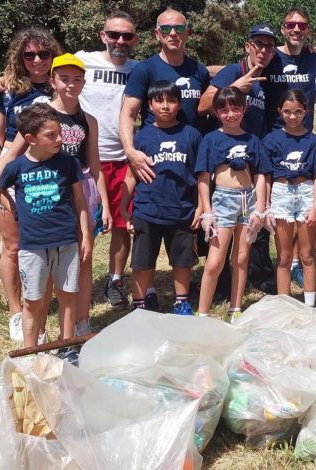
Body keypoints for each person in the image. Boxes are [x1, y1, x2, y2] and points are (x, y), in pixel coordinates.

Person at [0, 27, 61, 343]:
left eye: (43, 53)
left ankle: (38, 312)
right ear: (19, 57)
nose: (37, 60)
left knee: (49, 246)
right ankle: (17, 312)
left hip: (49, 176)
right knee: (12, 246)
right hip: (12, 174)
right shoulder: (7, 92)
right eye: (30, 54)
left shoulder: (61, 85)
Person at [0, 103, 91, 362]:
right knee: (34, 301)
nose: (60, 139)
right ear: (30, 139)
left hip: (66, 242)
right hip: (33, 245)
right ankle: (31, 353)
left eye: (59, 132)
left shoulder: (68, 163)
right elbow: (0, 189)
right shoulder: (15, 168)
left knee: (67, 296)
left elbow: (80, 201)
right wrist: (15, 210)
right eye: (51, 135)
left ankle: (67, 346)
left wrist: (84, 233)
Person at [198, 23, 278, 295]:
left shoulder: (267, 77)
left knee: (253, 224)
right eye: (259, 44)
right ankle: (219, 282)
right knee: (223, 228)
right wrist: (236, 87)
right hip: (224, 160)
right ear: (248, 46)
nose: (264, 50)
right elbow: (203, 104)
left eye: (269, 46)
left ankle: (254, 278)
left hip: (252, 155)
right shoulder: (235, 71)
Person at [120, 81, 201, 316]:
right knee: (143, 261)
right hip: (148, 210)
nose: (165, 106)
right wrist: (124, 207)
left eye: (171, 101)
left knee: (182, 260)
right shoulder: (142, 137)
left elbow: (200, 175)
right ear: (150, 105)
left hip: (182, 209)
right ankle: (139, 305)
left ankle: (181, 302)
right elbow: (131, 174)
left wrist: (200, 207)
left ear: (179, 104)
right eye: (159, 101)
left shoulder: (191, 135)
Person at [76, 10, 140, 307]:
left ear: (135, 39)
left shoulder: (140, 69)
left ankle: (114, 281)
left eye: (127, 35)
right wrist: (3, 79)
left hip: (125, 160)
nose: (120, 40)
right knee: (80, 225)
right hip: (86, 162)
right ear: (103, 36)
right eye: (114, 34)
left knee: (121, 224)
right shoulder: (82, 60)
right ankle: (74, 284)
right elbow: (41, 72)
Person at [263, 7, 316, 287]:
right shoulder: (271, 57)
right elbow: (245, 66)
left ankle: (298, 267)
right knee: (272, 215)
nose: (296, 29)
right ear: (283, 28)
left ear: (308, 30)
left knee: (300, 223)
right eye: (291, 24)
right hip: (272, 141)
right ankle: (268, 270)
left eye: (302, 25)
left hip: (303, 143)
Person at [195, 87, 268, 320]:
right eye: (225, 110)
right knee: (215, 260)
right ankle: (203, 312)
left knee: (242, 257)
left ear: (244, 109)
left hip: (248, 201)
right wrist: (207, 211)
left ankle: (236, 308)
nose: (231, 114)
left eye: (236, 109)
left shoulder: (253, 140)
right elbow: (204, 179)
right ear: (217, 112)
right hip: (223, 202)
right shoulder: (211, 140)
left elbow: (260, 176)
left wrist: (261, 208)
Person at [121, 8, 210, 184]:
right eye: (166, 29)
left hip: (191, 155)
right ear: (157, 34)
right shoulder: (144, 69)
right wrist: (130, 151)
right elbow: (128, 113)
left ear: (187, 33)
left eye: (179, 29)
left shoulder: (199, 71)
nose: (173, 34)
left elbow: (208, 109)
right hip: (155, 158)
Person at [263, 90, 316, 306]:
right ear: (280, 111)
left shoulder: (314, 141)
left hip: (306, 194)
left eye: (298, 112)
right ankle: (284, 305)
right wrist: (266, 205)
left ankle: (310, 306)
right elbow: (266, 177)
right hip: (281, 196)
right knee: (284, 256)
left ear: (306, 112)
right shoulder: (271, 140)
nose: (292, 116)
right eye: (287, 112)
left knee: (307, 254)